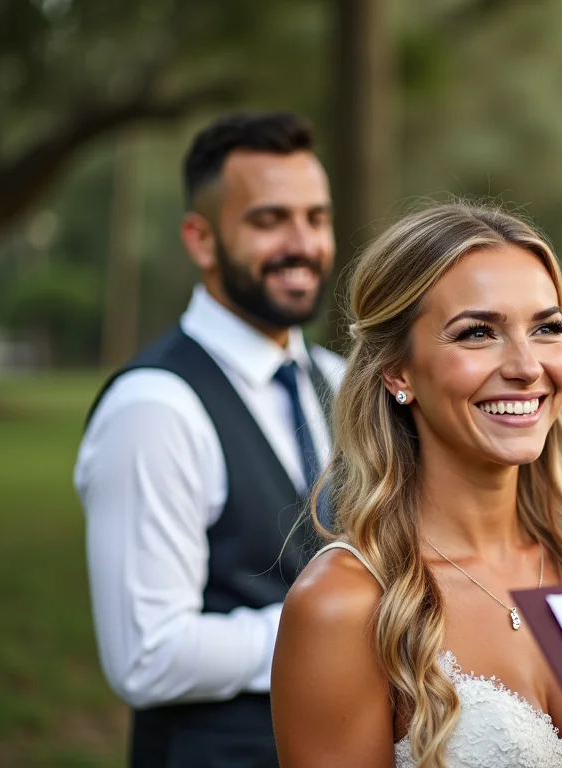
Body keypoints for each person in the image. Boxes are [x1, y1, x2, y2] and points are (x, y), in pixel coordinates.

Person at [269, 202, 562, 768]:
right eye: (478, 333)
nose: (526, 365)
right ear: (398, 371)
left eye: (547, 328)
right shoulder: (344, 606)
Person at [74, 111, 341, 768]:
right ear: (201, 239)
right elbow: (147, 656)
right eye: (268, 220)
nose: (302, 243)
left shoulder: (339, 381)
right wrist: (337, 623)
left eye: (316, 217)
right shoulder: (155, 407)